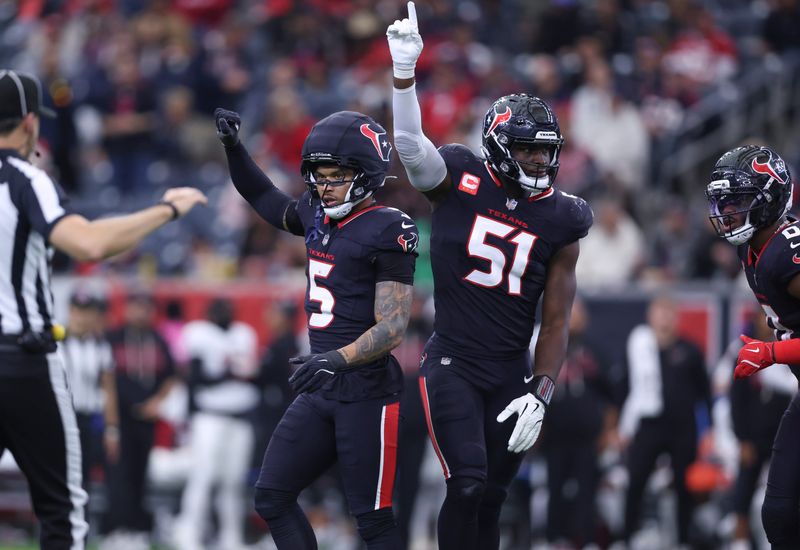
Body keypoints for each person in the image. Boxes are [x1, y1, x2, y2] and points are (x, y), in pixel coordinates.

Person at [385, 5, 593, 549]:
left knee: (495, 498)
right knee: (468, 484)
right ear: (500, 146)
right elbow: (409, 148)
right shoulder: (459, 176)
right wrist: (404, 75)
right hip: (453, 360)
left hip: (510, 370)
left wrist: (542, 390)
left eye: (545, 150)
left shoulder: (562, 217)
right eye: (526, 148)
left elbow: (555, 320)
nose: (538, 160)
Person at [0, 69, 206, 550]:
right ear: (30, 122)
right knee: (64, 512)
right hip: (23, 360)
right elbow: (88, 243)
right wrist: (166, 209)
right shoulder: (27, 179)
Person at [215, 106, 419, 549]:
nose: (323, 187)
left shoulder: (389, 226)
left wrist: (335, 359)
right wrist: (235, 149)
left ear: (365, 174)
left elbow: (394, 326)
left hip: (367, 392)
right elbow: (265, 199)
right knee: (271, 496)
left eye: (335, 177)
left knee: (374, 522)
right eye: (318, 176)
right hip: (322, 388)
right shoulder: (316, 212)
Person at [705, 144, 800, 549]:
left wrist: (772, 352)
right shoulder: (754, 247)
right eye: (724, 202)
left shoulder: (785, 252)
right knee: (778, 512)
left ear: (768, 200)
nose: (727, 212)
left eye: (738, 201)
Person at [617, 294, 712, 548]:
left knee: (683, 484)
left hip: (682, 427)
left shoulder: (689, 350)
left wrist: (709, 430)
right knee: (636, 480)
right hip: (649, 425)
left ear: (676, 316)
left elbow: (705, 392)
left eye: (669, 312)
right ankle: (628, 537)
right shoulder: (640, 349)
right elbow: (626, 389)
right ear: (650, 316)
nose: (664, 318)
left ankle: (683, 539)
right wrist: (621, 426)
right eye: (659, 312)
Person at [172, 298, 259, 550]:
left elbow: (253, 374)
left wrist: (237, 373)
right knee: (203, 476)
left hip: (240, 415)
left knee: (233, 480)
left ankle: (231, 538)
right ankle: (188, 533)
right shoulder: (199, 334)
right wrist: (229, 374)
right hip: (209, 415)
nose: (224, 312)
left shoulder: (244, 334)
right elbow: (196, 378)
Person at [102, 291, 178, 549]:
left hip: (146, 418)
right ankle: (115, 529)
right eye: (136, 307)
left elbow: (172, 374)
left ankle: (136, 529)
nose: (140, 313)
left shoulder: (157, 339)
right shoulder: (113, 338)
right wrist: (110, 425)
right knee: (118, 474)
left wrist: (157, 401)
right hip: (119, 418)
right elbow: (105, 379)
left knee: (140, 473)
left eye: (145, 308)